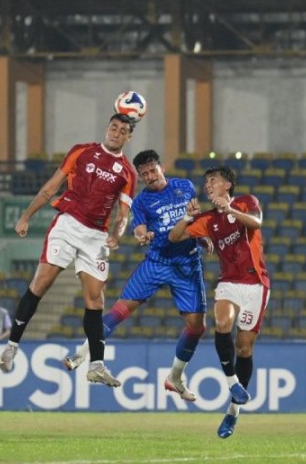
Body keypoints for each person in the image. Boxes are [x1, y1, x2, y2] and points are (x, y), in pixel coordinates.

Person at [0, 112, 138, 387]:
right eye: (114, 127)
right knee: (40, 284)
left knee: (95, 300)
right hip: (67, 224)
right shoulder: (81, 151)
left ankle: (96, 365)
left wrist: (116, 235)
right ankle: (12, 345)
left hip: (96, 235)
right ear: (107, 128)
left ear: (129, 137)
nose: (117, 133)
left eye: (123, 131)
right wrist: (26, 215)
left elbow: (123, 215)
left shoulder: (128, 173)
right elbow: (51, 187)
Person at [63, 149, 209, 401]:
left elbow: (194, 221)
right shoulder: (141, 201)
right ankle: (83, 352)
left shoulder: (184, 186)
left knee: (197, 327)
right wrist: (142, 235)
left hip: (187, 264)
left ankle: (175, 377)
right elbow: (139, 228)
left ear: (162, 167)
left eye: (153, 170)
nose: (150, 177)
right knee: (120, 309)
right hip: (157, 261)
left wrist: (203, 236)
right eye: (144, 174)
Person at [168, 165, 269, 439]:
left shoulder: (247, 202)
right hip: (229, 283)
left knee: (244, 349)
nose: (208, 185)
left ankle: (233, 412)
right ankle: (232, 382)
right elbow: (174, 237)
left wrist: (230, 210)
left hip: (255, 284)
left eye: (213, 181)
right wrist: (187, 218)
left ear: (227, 185)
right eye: (206, 182)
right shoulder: (209, 219)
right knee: (222, 323)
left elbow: (257, 223)